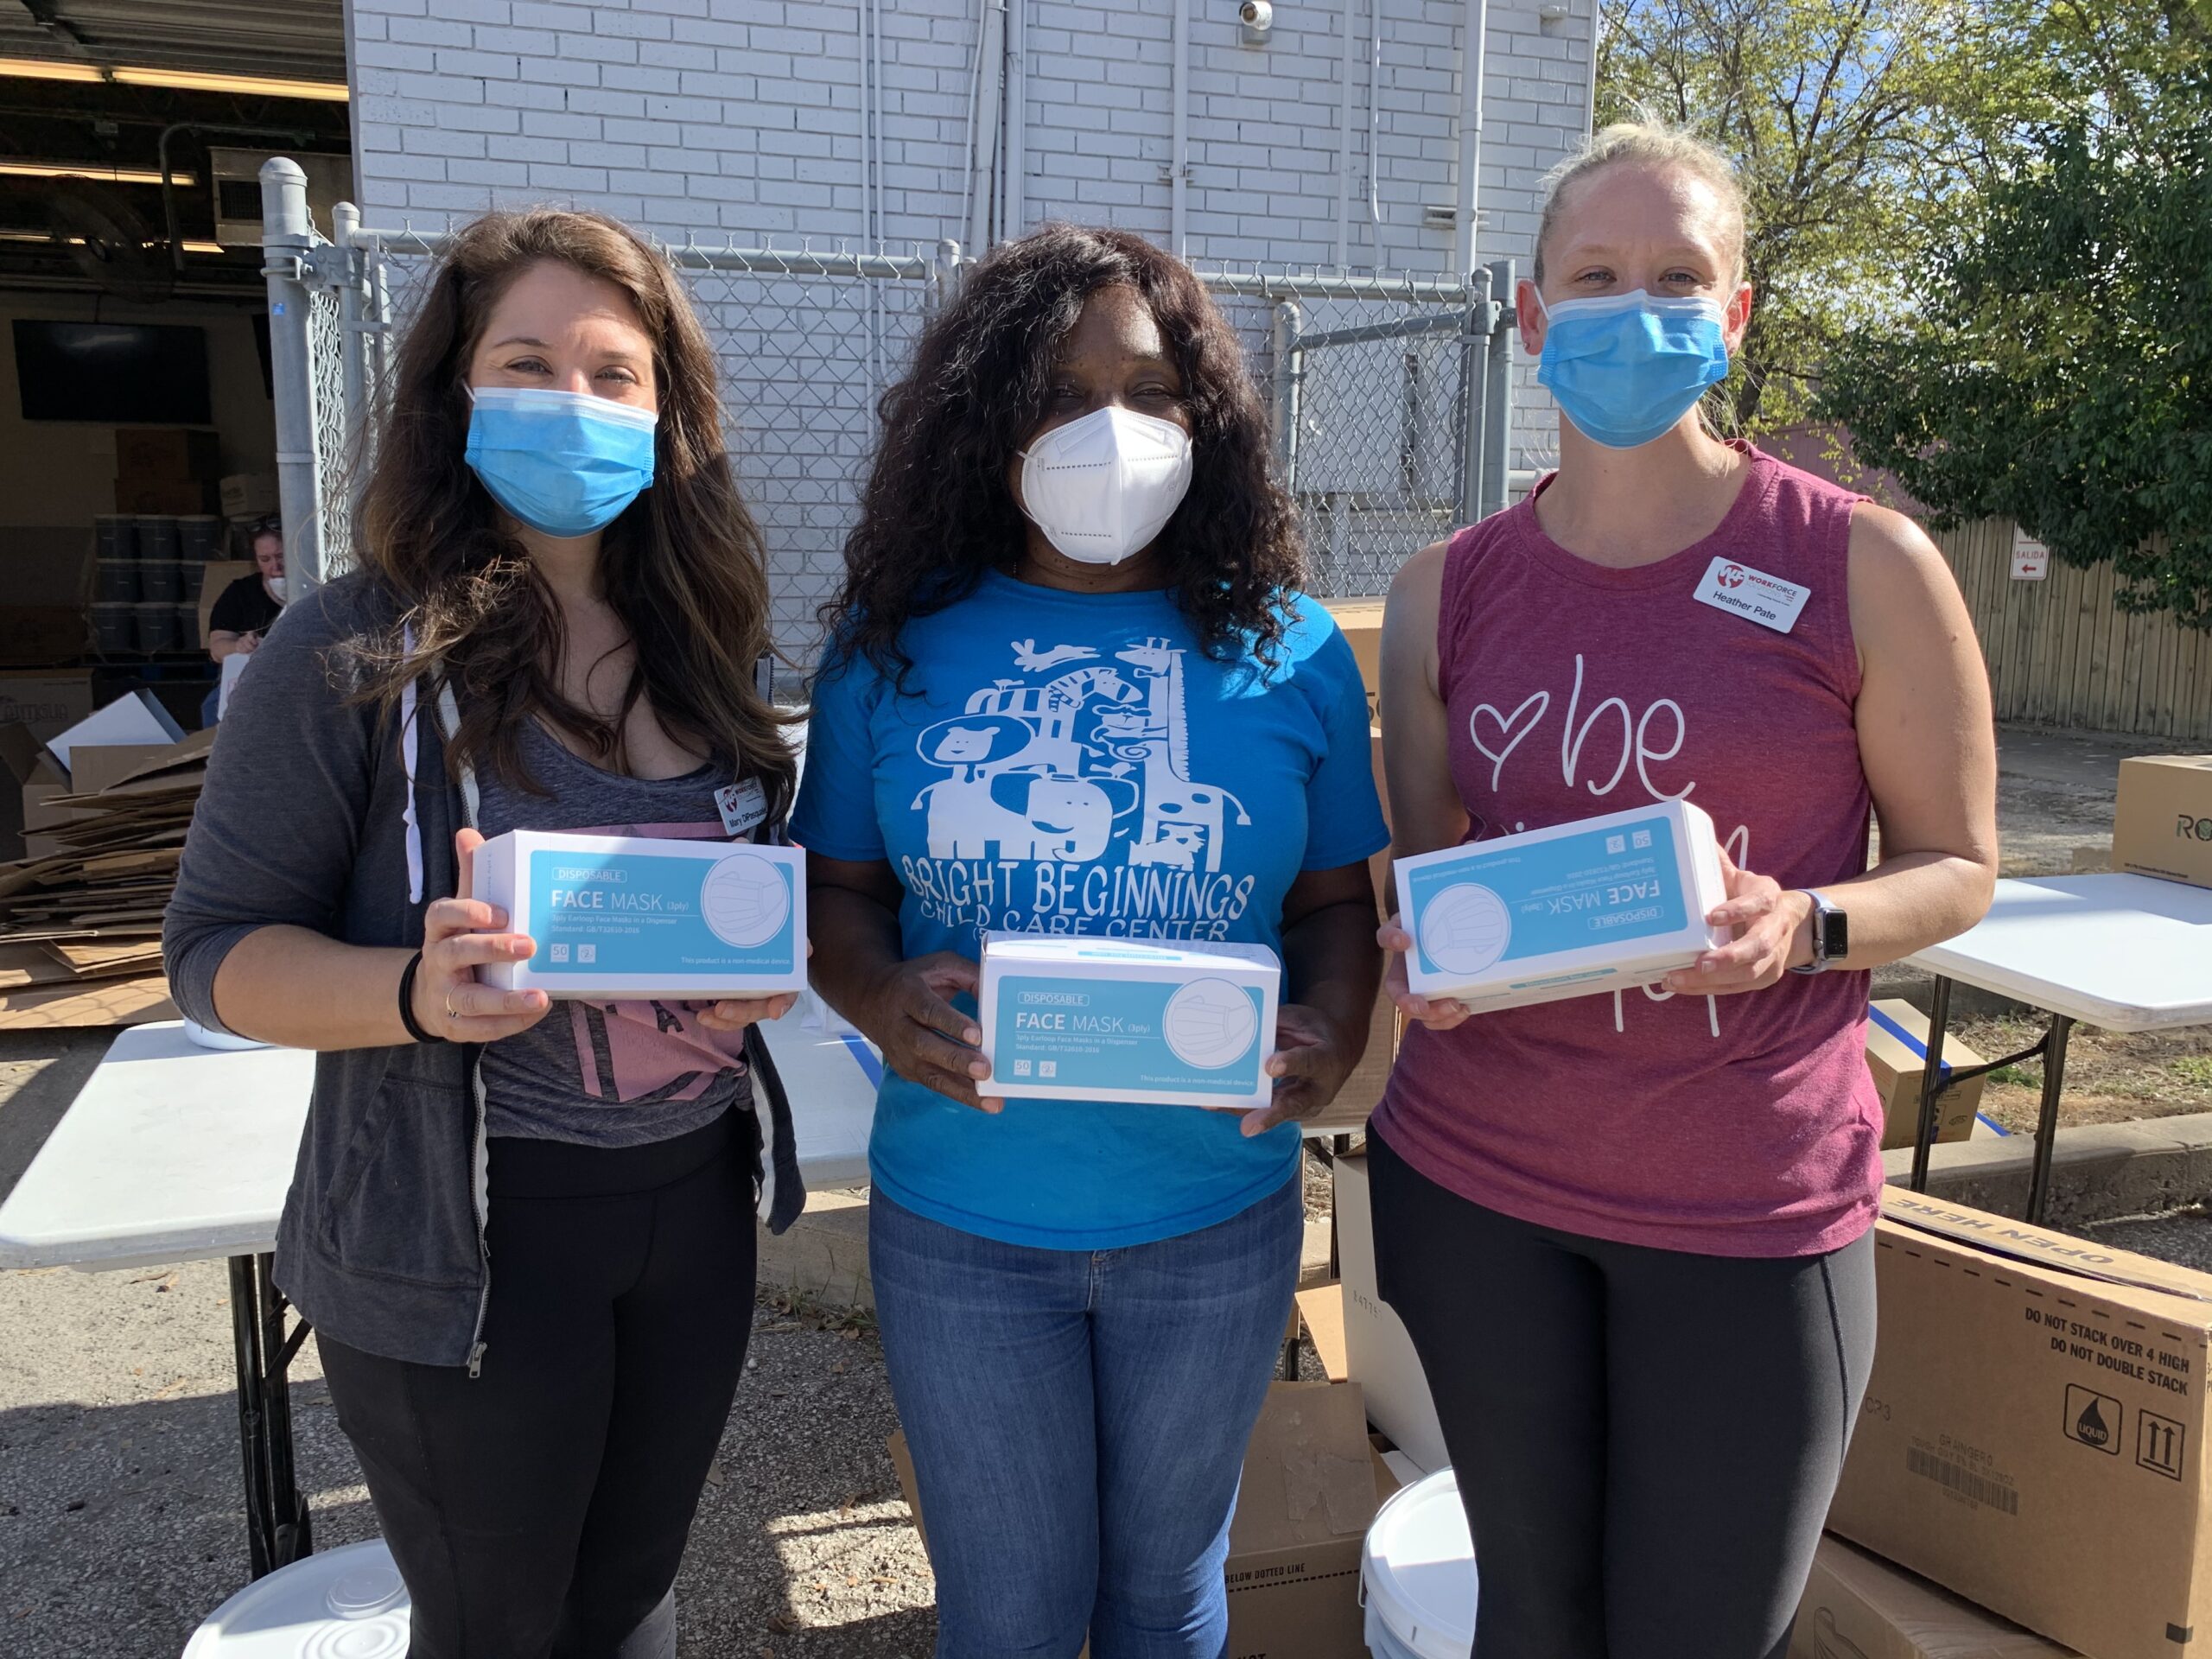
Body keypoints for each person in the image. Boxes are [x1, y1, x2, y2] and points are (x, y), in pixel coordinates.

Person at [1370, 122, 1999, 1659]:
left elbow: (1963, 868)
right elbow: (1429, 866)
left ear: (1737, 315)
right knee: (1528, 1619)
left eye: (1678, 276)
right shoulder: (1445, 588)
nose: (1634, 307)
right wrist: (1416, 940)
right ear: (1529, 317)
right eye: (1594, 275)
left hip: (1748, 1209)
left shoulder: (1864, 565)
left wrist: (1805, 924)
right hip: (1476, 1183)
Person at [164, 208, 805, 1659]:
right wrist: (411, 988)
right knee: (498, 1628)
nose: (570, 403)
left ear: (669, 413)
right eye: (526, 362)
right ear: (455, 395)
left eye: (612, 373)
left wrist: (754, 979)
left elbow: (737, 904)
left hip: (691, 1205)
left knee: (631, 1600)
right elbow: (212, 951)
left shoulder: (711, 646)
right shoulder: (349, 653)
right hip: (468, 1235)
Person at [792, 223, 1389, 1659]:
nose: (1107, 429)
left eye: (1148, 390)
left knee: (1165, 1600)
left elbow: (1335, 913)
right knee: (1009, 1618)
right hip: (965, 1229)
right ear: (986, 419)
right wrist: (877, 994)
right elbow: (834, 899)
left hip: (1214, 1225)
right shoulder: (894, 647)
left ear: (1205, 421)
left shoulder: (1291, 648)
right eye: (1058, 393)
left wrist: (1329, 1034)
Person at [207, 517, 287, 660]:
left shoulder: (317, 588)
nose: (275, 567)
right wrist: (239, 646)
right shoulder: (241, 592)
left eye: (281, 556)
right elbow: (216, 648)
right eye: (265, 559)